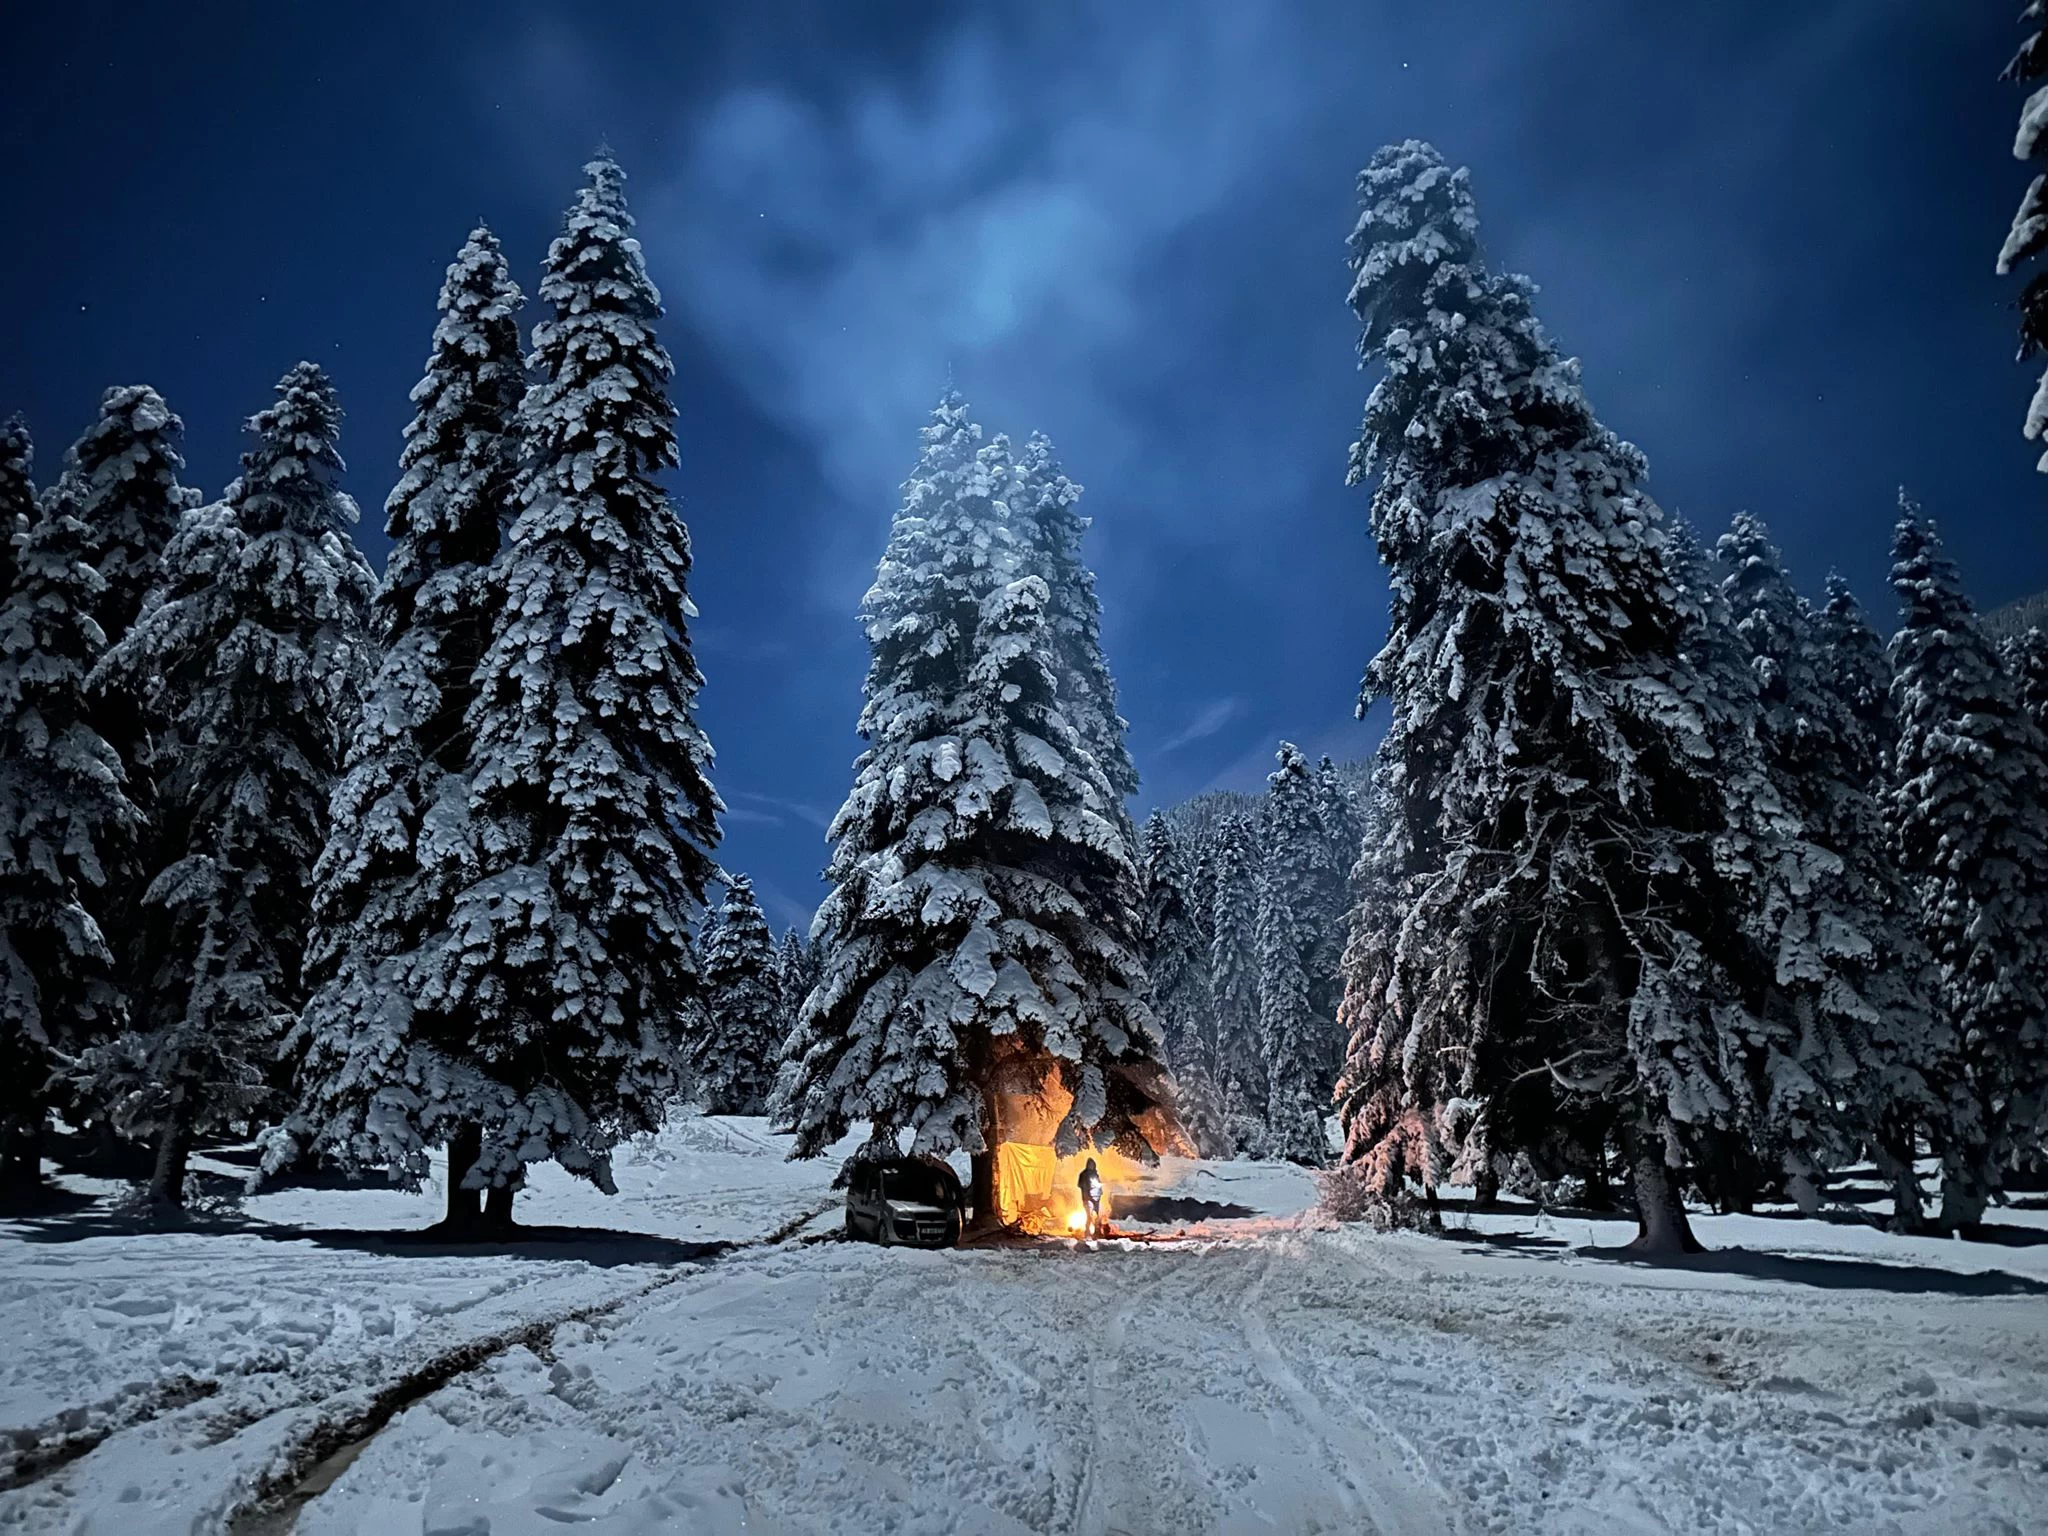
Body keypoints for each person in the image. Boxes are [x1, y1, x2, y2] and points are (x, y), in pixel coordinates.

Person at [1078, 1157, 1104, 1238]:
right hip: (1087, 1198)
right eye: (1090, 1164)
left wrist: (1099, 1191)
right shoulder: (1083, 1174)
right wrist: (1087, 1190)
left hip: (1095, 1199)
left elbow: (1098, 1185)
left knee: (1096, 1215)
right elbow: (1080, 1185)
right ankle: (1087, 1231)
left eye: (1092, 1165)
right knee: (1089, 1216)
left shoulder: (1095, 1174)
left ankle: (1096, 1231)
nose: (1091, 1166)